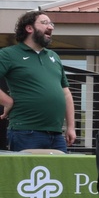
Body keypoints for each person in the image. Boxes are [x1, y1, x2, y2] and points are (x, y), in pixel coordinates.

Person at [0, 11, 76, 152]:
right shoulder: (8, 54)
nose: (51, 27)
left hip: (56, 135)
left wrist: (71, 127)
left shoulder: (54, 56)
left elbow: (66, 93)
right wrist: (7, 101)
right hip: (25, 132)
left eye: (51, 23)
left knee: (60, 174)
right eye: (44, 23)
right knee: (25, 174)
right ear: (29, 28)